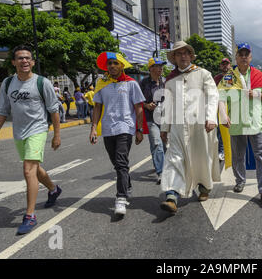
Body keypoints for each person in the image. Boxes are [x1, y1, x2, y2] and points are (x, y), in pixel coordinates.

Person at [0, 45, 62, 235]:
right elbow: (3, 111)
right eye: (20, 58)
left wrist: (56, 135)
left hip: (37, 130)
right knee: (35, 170)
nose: (24, 61)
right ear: (13, 62)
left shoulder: (42, 82)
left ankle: (30, 216)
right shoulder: (7, 83)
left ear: (33, 62)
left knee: (28, 169)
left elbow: (54, 109)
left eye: (28, 58)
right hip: (19, 132)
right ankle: (53, 189)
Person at [159, 41, 220, 213]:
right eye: (179, 54)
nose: (183, 56)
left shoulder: (203, 74)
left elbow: (212, 96)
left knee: (201, 158)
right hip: (178, 127)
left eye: (186, 53)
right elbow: (168, 106)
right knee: (173, 159)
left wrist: (210, 118)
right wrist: (165, 128)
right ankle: (171, 195)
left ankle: (203, 187)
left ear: (191, 56)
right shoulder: (170, 81)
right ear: (174, 58)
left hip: (201, 125)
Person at [218, 43, 262, 205]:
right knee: (238, 156)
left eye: (246, 54)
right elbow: (221, 96)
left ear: (250, 57)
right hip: (236, 124)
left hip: (257, 122)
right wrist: (223, 115)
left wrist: (255, 94)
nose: (243, 57)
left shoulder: (258, 75)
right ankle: (240, 180)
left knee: (261, 155)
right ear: (236, 57)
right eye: (240, 54)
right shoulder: (230, 77)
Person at [89, 52, 145, 216]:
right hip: (107, 129)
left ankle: (121, 198)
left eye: (115, 63)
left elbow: (139, 108)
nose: (112, 66)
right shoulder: (101, 83)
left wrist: (139, 129)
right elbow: (97, 107)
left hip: (125, 127)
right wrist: (93, 128)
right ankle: (126, 185)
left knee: (121, 162)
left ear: (122, 65)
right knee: (116, 163)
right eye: (109, 64)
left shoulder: (131, 84)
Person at [140, 57, 167, 185]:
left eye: (161, 66)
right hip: (151, 118)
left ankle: (166, 166)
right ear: (150, 68)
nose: (160, 68)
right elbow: (137, 100)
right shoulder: (143, 83)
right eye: (157, 66)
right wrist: (146, 105)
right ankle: (161, 172)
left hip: (165, 118)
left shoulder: (166, 82)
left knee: (166, 144)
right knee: (156, 143)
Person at [214, 57, 232, 161]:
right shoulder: (216, 78)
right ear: (220, 66)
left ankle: (227, 150)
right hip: (218, 108)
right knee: (219, 131)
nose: (225, 66)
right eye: (223, 64)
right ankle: (221, 151)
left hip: (231, 107)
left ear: (230, 65)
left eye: (227, 64)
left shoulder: (233, 77)